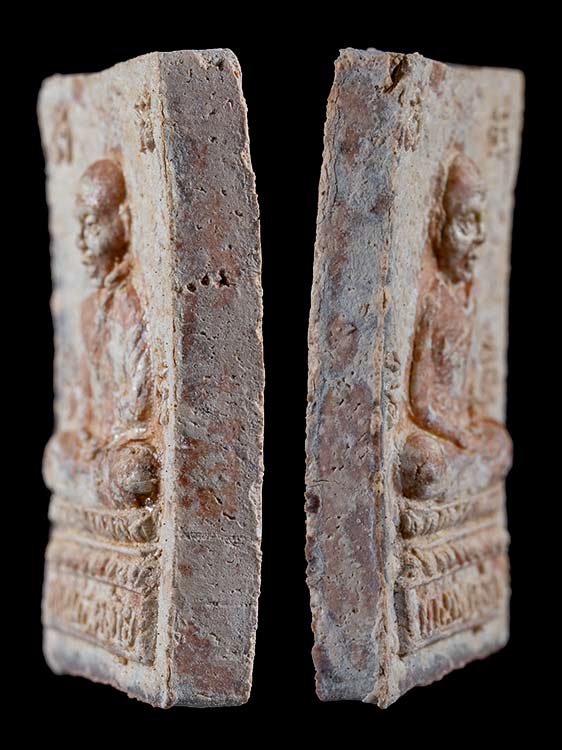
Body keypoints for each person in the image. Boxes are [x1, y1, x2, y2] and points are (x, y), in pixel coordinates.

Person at [44, 159, 158, 508]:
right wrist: (83, 435)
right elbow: (83, 398)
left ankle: (109, 494)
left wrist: (116, 438)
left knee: (135, 471)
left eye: (92, 224)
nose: (81, 240)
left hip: (123, 448)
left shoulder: (129, 304)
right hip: (98, 451)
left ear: (123, 222)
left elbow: (138, 404)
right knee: (55, 456)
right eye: (79, 225)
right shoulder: (88, 309)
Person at [399, 153, 512, 501]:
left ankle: (453, 498)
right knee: (425, 464)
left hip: (462, 433)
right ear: (438, 225)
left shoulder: (470, 296)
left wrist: (471, 425)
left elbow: (470, 382)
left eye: (480, 225)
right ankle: (449, 495)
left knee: (501, 445)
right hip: (439, 433)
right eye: (465, 224)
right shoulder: (433, 300)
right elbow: (420, 402)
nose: (478, 238)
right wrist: (457, 433)